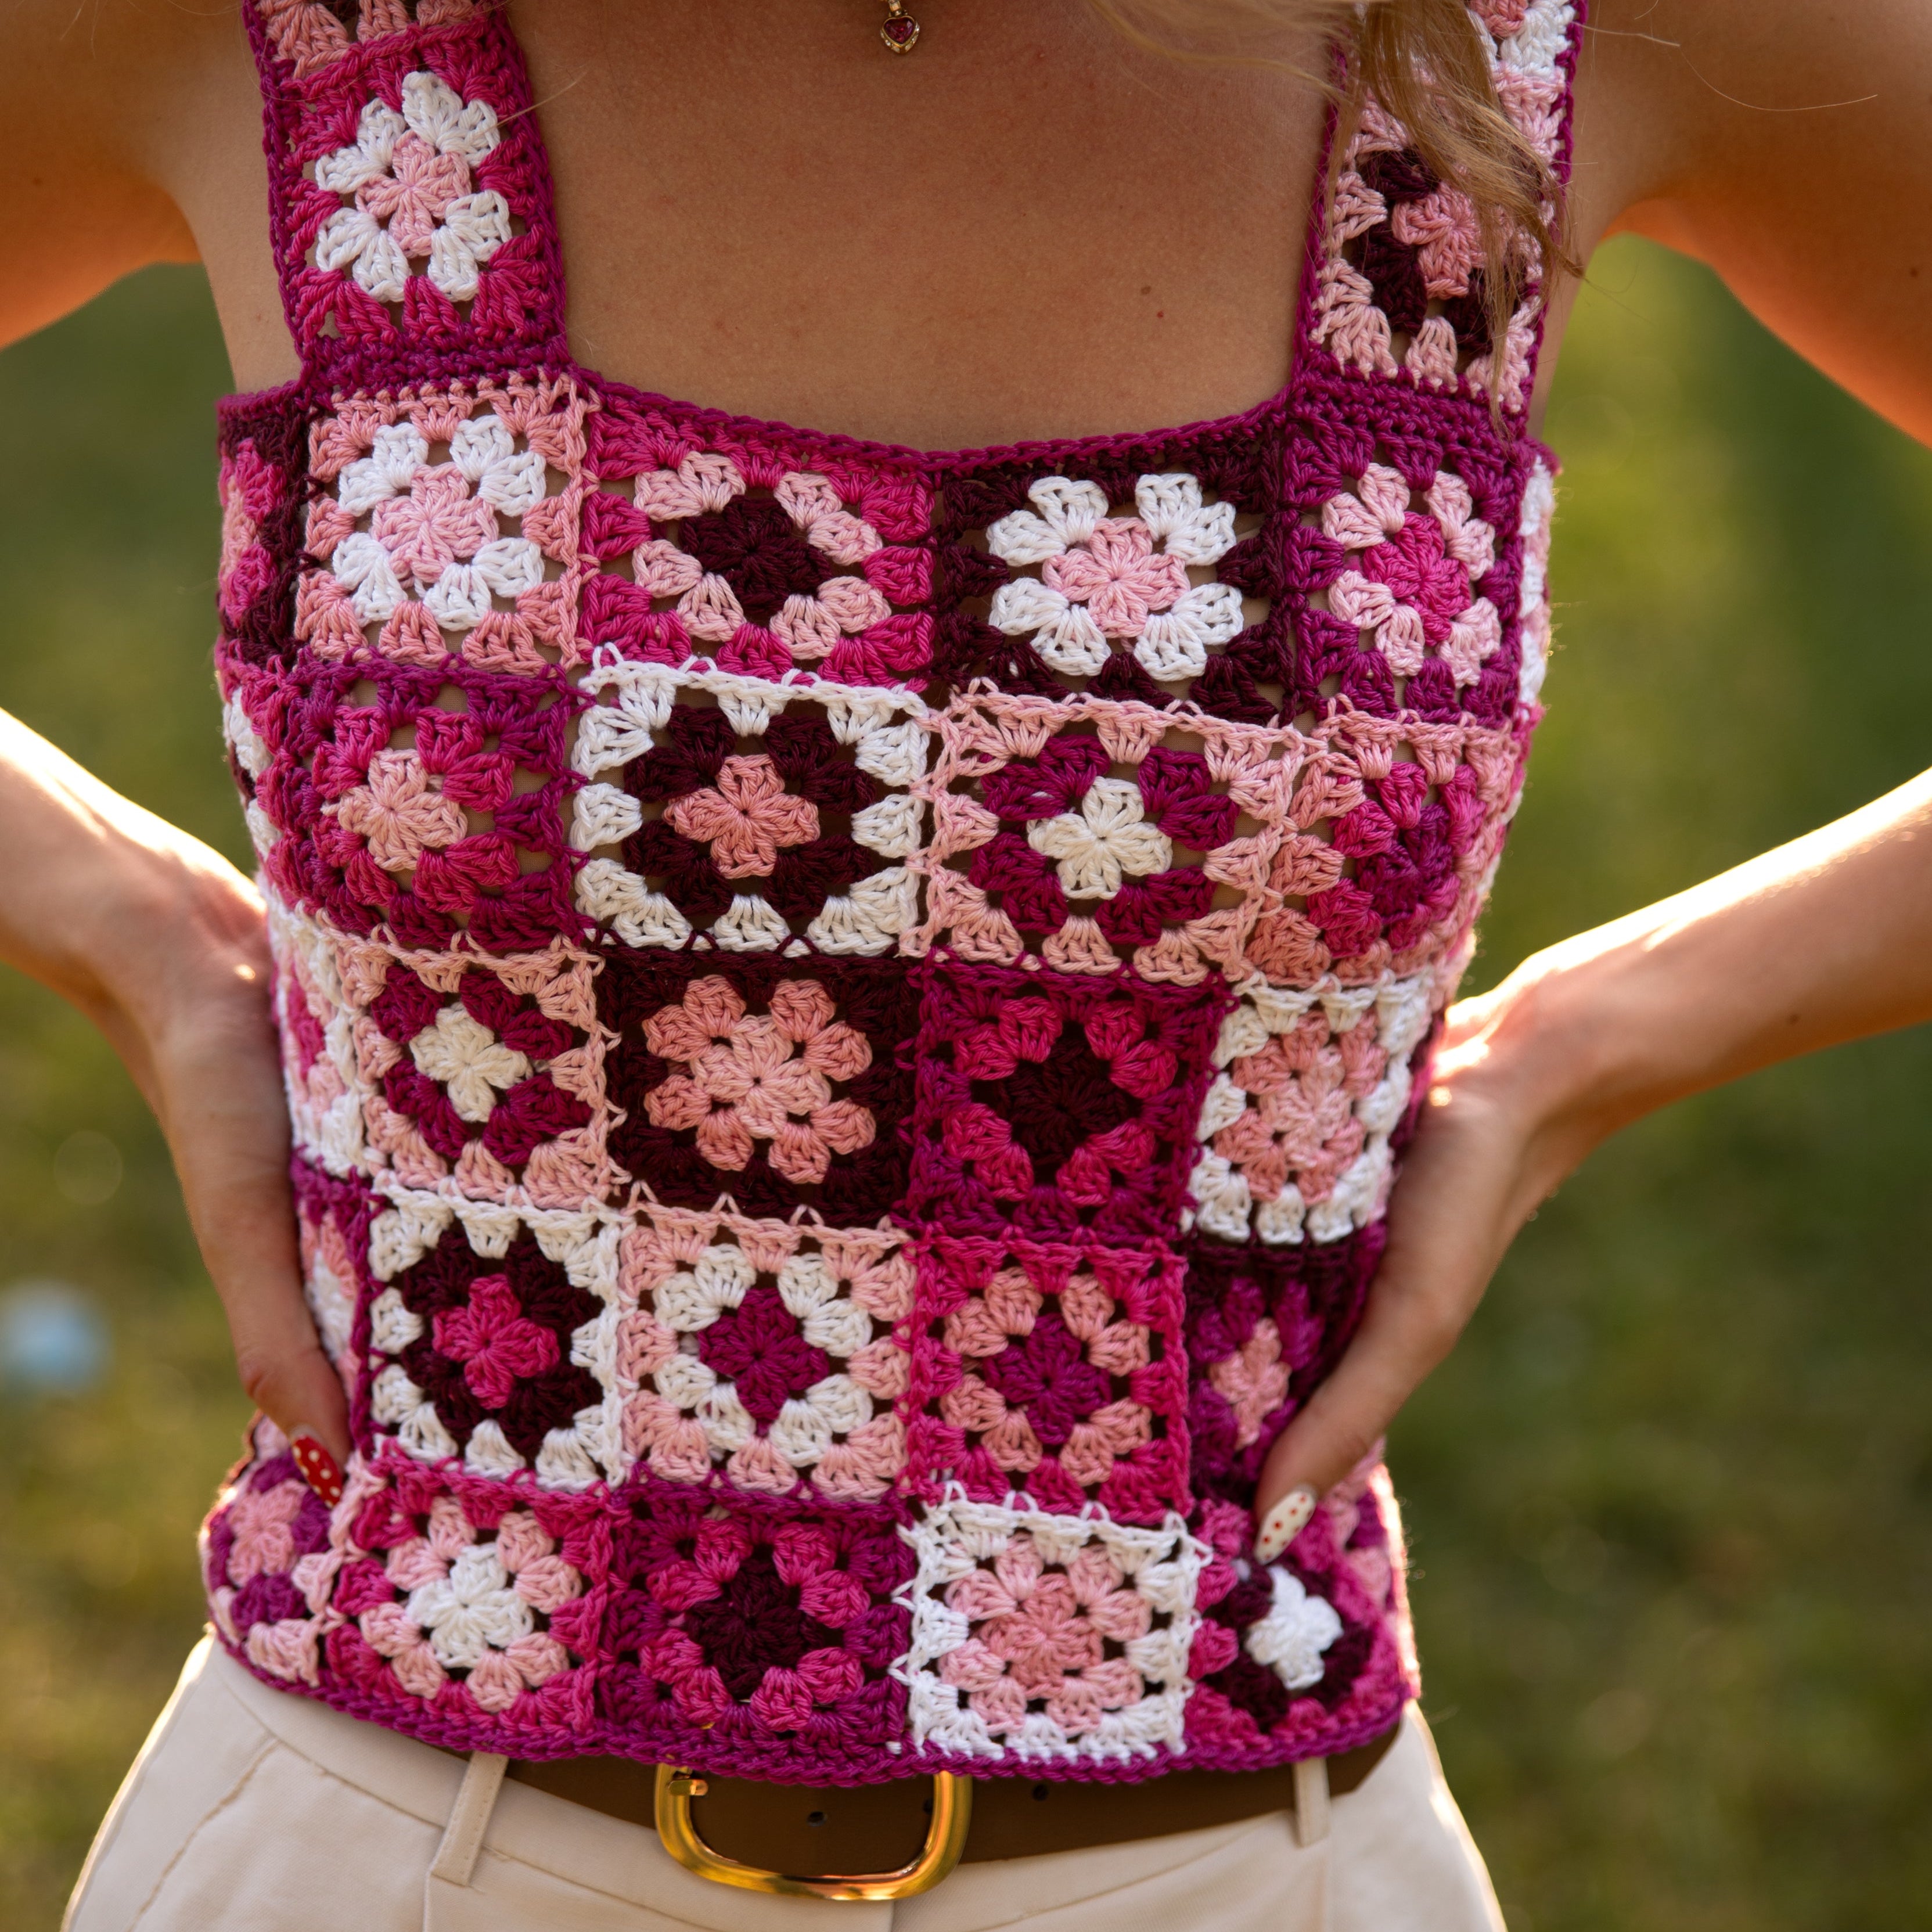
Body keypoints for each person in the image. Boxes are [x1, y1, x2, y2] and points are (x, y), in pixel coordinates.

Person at [3, 2, 1930, 1927]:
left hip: (1246, 1868)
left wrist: (1586, 1041)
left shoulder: (1546, 36)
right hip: (381, 1848)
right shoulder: (274, 35)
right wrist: (124, 920)